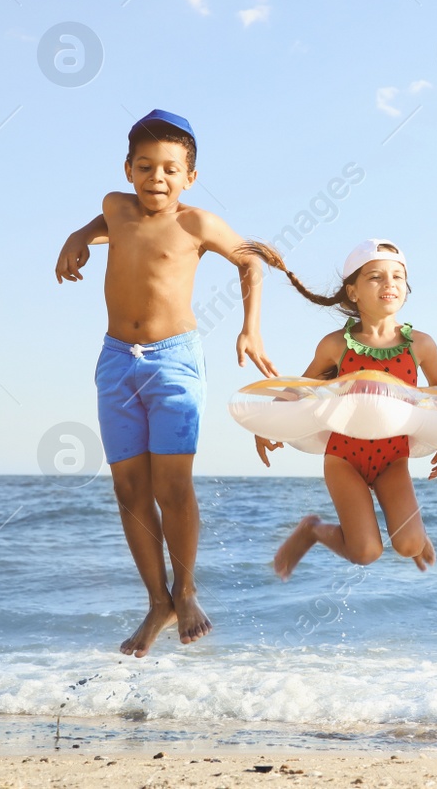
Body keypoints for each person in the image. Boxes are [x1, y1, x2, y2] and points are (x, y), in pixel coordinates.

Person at [54, 109, 276, 657]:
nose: (158, 178)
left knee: (171, 487)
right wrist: (78, 236)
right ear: (128, 169)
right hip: (115, 362)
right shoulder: (115, 207)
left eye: (171, 169)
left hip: (174, 361)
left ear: (190, 177)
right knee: (129, 490)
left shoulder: (197, 224)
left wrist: (251, 331)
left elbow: (251, 264)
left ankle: (187, 589)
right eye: (147, 167)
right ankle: (158, 602)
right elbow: (108, 224)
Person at [247, 239, 437, 578]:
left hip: (393, 457)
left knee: (409, 545)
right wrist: (267, 423)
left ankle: (412, 535)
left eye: (398, 277)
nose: (390, 284)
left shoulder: (422, 345)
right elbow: (300, 389)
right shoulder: (335, 345)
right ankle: (313, 529)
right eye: (375, 277)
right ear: (353, 292)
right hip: (345, 457)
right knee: (366, 552)